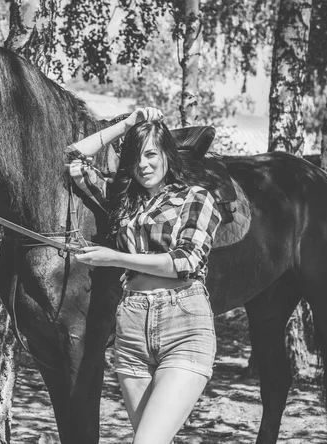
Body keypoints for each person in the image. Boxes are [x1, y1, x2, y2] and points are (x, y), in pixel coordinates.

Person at [64, 107, 221, 444]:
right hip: (132, 329)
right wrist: (126, 124)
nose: (143, 165)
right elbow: (73, 158)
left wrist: (114, 258)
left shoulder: (196, 198)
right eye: (135, 157)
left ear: (167, 154)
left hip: (183, 324)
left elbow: (187, 260)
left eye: (151, 154)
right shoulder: (124, 203)